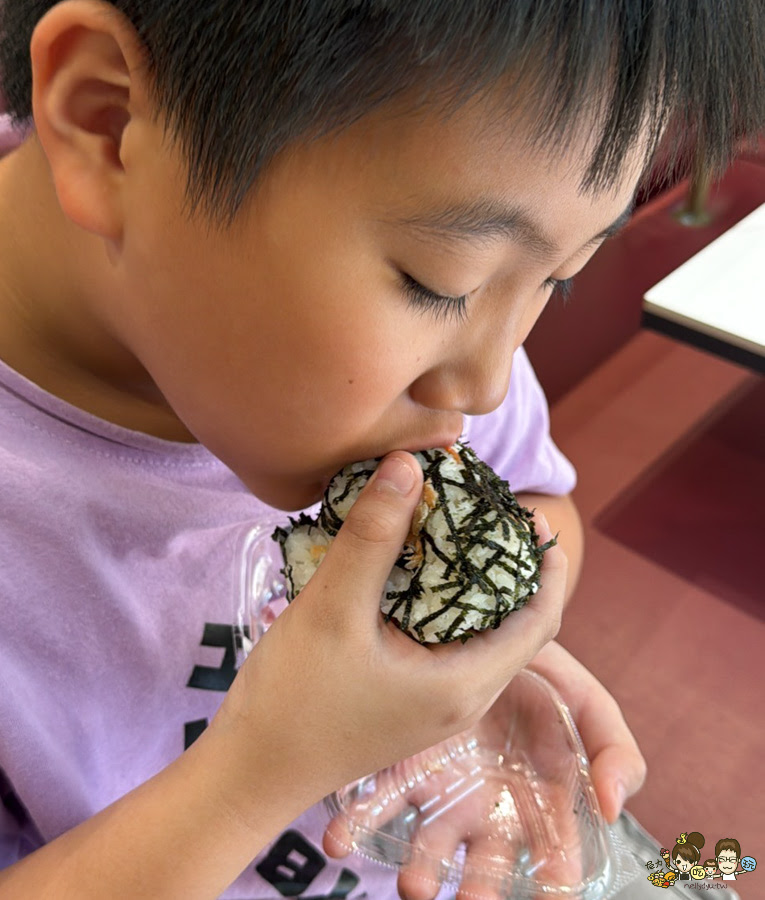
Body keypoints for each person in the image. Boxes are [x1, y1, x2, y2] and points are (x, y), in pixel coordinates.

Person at [0, 2, 762, 898]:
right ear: (108, 124)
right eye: (440, 282)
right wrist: (258, 774)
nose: (485, 386)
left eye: (555, 281)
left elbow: (540, 505)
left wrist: (486, 658)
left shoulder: (441, 372)